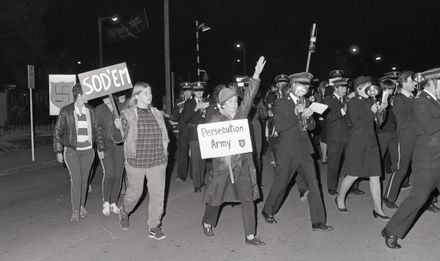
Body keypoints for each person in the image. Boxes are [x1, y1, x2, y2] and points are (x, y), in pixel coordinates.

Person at [202, 56, 266, 246]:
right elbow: (209, 143)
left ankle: (250, 236)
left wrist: (255, 75)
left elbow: (248, 98)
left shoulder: (240, 116)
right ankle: (207, 221)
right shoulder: (214, 119)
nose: (234, 104)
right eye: (230, 102)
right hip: (223, 166)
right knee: (217, 197)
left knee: (247, 199)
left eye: (235, 101)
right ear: (221, 106)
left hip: (243, 164)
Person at [262, 72, 333, 232]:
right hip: (287, 150)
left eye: (307, 85)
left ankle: (318, 221)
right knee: (282, 183)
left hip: (304, 150)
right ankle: (268, 210)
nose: (305, 88)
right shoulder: (281, 103)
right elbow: (279, 127)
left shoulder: (307, 102)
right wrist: (295, 114)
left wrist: (308, 117)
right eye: (301, 85)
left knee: (314, 184)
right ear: (292, 85)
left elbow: (313, 127)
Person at [382, 68, 440, 248]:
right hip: (428, 160)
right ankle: (391, 230)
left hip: (437, 156)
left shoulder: (434, 101)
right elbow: (429, 126)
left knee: (422, 197)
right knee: (418, 198)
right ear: (433, 82)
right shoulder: (420, 102)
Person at [115, 82, 169, 240]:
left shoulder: (157, 113)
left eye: (150, 92)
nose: (150, 95)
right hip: (136, 162)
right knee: (134, 194)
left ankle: (154, 226)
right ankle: (124, 212)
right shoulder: (128, 114)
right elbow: (119, 138)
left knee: (158, 195)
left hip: (157, 161)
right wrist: (117, 127)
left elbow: (164, 135)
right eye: (146, 93)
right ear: (136, 96)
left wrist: (165, 153)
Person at [335, 76, 389, 219]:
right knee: (354, 174)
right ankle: (340, 198)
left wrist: (382, 110)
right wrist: (372, 111)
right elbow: (356, 123)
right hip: (357, 142)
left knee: (375, 175)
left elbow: (379, 123)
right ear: (359, 88)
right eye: (368, 86)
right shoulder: (353, 102)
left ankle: (378, 209)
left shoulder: (371, 100)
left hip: (371, 142)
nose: (372, 89)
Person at [53, 83, 105, 222]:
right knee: (76, 180)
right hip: (72, 151)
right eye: (87, 93)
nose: (89, 96)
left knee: (84, 179)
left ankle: (82, 207)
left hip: (88, 151)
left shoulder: (91, 110)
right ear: (79, 95)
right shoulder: (66, 111)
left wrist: (100, 148)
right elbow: (58, 131)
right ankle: (75, 210)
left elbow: (98, 130)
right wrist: (58, 150)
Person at [95, 97, 125, 216]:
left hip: (119, 146)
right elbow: (97, 130)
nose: (106, 99)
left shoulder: (121, 107)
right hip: (106, 146)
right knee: (110, 173)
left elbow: (128, 127)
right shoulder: (99, 110)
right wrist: (101, 148)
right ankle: (106, 202)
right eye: (104, 97)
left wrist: (120, 125)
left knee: (118, 175)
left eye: (109, 97)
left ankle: (113, 202)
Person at [180, 81, 209, 192]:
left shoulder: (208, 101)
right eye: (196, 90)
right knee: (195, 159)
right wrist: (195, 108)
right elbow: (184, 118)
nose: (199, 92)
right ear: (193, 92)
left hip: (205, 134)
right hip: (194, 133)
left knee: (203, 160)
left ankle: (201, 181)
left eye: (201, 90)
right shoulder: (189, 103)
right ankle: (197, 184)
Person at [323, 77, 350, 195]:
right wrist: (343, 111)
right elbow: (329, 118)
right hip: (335, 137)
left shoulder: (347, 99)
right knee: (334, 163)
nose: (345, 89)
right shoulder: (328, 100)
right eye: (342, 87)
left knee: (350, 162)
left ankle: (351, 186)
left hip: (348, 135)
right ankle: (332, 187)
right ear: (336, 88)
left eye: (346, 87)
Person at [174, 82, 193, 182]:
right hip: (183, 131)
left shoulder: (195, 100)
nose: (187, 92)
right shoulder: (179, 101)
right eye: (185, 90)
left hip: (193, 129)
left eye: (189, 90)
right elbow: (175, 117)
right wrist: (179, 111)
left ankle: (194, 175)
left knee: (194, 152)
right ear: (183, 91)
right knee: (183, 152)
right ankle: (181, 175)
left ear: (192, 91)